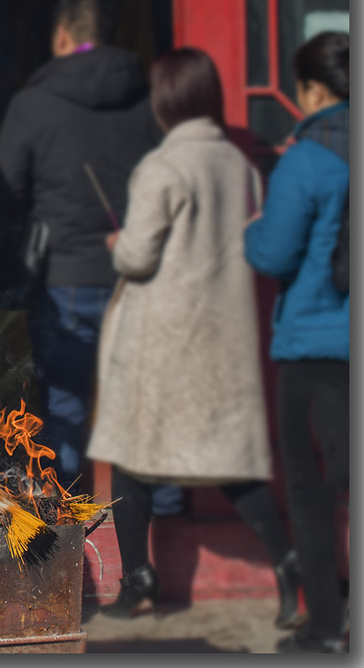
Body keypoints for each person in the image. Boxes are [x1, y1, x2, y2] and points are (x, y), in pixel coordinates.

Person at [88, 47, 298, 627]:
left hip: (160, 337)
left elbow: (138, 254)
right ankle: (288, 564)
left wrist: (116, 246)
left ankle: (137, 581)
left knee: (132, 460)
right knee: (227, 464)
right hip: (218, 336)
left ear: (165, 103)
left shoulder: (161, 168)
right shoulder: (241, 167)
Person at [0, 0, 162, 491]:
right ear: (106, 36)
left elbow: (5, 188)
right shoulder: (146, 100)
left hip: (64, 276)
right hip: (135, 274)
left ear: (61, 35)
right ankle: (164, 512)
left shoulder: (34, 102)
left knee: (65, 401)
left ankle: (70, 505)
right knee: (139, 400)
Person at [245, 31, 349, 653]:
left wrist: (251, 232)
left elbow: (274, 250)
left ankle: (327, 628)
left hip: (315, 350)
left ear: (311, 89)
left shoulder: (307, 160)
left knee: (311, 493)